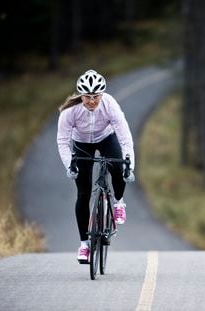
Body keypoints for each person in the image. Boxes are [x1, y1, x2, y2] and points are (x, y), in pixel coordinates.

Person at [57, 69, 135, 262]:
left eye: (96, 96)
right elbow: (62, 141)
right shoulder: (69, 111)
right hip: (81, 144)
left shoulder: (110, 105)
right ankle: (84, 245)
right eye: (87, 97)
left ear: (102, 95)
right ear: (81, 95)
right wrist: (70, 165)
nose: (92, 101)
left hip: (106, 138)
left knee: (118, 168)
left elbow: (125, 138)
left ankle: (118, 202)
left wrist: (129, 165)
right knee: (83, 194)